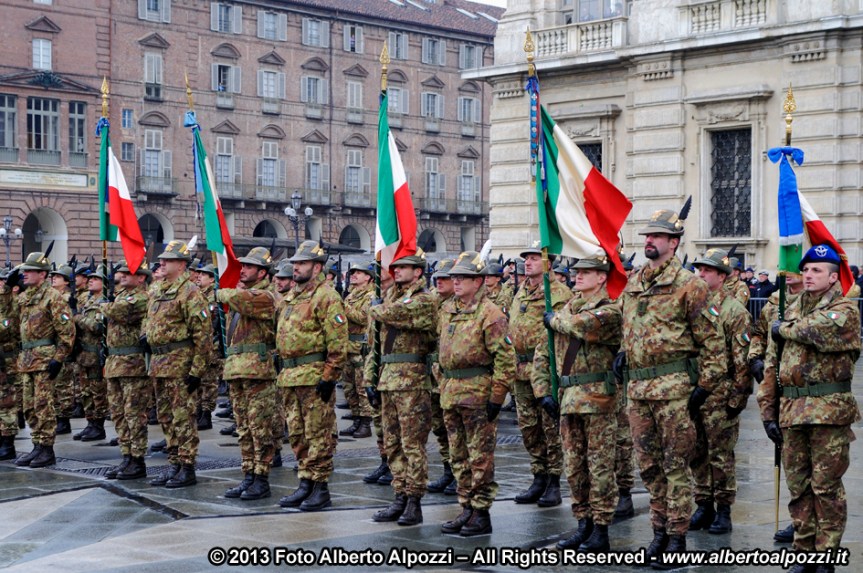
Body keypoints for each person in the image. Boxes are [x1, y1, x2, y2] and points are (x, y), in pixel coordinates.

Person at [617, 208, 726, 569]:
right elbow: (629, 327)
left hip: (674, 390)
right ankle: (658, 532)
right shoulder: (635, 281)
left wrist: (704, 388)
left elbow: (712, 344)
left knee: (676, 464)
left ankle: (677, 537)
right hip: (639, 390)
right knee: (648, 466)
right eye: (647, 235)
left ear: (673, 243)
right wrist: (622, 353)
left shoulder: (689, 285)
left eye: (657, 236)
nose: (648, 240)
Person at [761, 245, 860, 573]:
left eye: (817, 270)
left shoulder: (844, 309)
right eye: (805, 270)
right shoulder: (787, 310)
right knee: (799, 486)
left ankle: (826, 554)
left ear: (833, 278)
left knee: (826, 487)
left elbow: (817, 329)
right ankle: (803, 551)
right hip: (792, 410)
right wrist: (767, 410)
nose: (807, 275)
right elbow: (773, 366)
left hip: (828, 411)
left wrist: (782, 329)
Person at [537, 255, 622, 553]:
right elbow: (542, 353)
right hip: (569, 399)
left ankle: (601, 529)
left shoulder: (610, 310)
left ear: (602, 277)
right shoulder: (564, 309)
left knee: (599, 467)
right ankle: (583, 524)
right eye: (577, 272)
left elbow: (582, 327)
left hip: (598, 400)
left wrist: (553, 320)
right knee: (574, 468)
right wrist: (543, 391)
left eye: (587, 272)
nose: (578, 276)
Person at [438, 251, 515, 536]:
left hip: (477, 394)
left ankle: (481, 512)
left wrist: (496, 398)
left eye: (464, 277)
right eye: (455, 277)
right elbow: (441, 352)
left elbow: (506, 360)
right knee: (458, 455)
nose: (456, 282)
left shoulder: (491, 314)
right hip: (451, 393)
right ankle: (466, 506)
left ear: (479, 281)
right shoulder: (448, 310)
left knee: (479, 457)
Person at [276, 241, 348, 512]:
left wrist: (329, 377)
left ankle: (320, 487)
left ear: (317, 268)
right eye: (295, 263)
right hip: (291, 375)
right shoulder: (292, 297)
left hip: (313, 375)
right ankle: (305, 481)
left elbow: (337, 342)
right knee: (297, 433)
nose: (296, 267)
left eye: (302, 263)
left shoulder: (326, 296)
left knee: (318, 433)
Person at [367, 252, 436, 526]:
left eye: (404, 267)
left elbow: (398, 315)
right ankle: (399, 495)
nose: (396, 271)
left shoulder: (425, 300)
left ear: (418, 272)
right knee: (392, 443)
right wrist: (370, 379)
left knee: (412, 444)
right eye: (394, 267)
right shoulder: (389, 297)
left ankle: (414, 500)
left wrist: (375, 307)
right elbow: (375, 343)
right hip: (388, 379)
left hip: (412, 381)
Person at [690, 249, 752, 535]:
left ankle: (724, 509)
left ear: (722, 276)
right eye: (699, 269)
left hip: (719, 394)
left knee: (721, 455)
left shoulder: (733, 310)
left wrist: (738, 397)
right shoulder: (691, 305)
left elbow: (742, 360)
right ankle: (703, 504)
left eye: (707, 270)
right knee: (696, 451)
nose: (700, 274)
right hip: (692, 391)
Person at [143, 240, 211, 488]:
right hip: (160, 364)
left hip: (180, 365)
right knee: (166, 417)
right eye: (162, 259)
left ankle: (187, 466)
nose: (161, 262)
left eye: (168, 259)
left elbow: (203, 335)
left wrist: (196, 370)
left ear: (182, 264)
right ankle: (174, 464)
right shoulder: (158, 289)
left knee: (183, 418)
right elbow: (149, 321)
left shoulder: (190, 292)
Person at [508, 243, 571, 507]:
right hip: (520, 369)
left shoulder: (558, 293)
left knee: (549, 427)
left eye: (535, 258)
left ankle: (554, 481)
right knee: (528, 427)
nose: (529, 262)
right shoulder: (521, 290)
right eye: (527, 258)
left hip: (544, 369)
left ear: (548, 263)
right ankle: (538, 476)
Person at [216, 247, 279, 500]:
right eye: (243, 266)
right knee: (244, 427)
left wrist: (221, 290)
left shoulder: (267, 295)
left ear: (262, 272)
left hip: (258, 371)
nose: (242, 270)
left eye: (249, 267)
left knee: (260, 427)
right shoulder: (242, 294)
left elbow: (239, 299)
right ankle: (248, 475)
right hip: (238, 370)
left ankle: (262, 478)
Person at [14, 252, 76, 468]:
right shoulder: (24, 297)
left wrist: (59, 358)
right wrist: (6, 290)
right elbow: (7, 316)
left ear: (42, 274)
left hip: (44, 359)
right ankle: (37, 445)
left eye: (29, 271)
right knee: (29, 406)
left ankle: (47, 449)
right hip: (27, 359)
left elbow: (67, 332)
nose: (25, 274)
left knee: (44, 406)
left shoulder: (53, 297)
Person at [101, 260, 151, 480]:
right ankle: (126, 455)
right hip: (115, 363)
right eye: (120, 273)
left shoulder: (141, 297)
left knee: (134, 414)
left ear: (141, 277)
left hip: (133, 364)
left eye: (127, 273)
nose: (121, 276)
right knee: (119, 414)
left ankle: (138, 459)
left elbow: (123, 312)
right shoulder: (120, 296)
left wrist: (101, 306)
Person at [427, 259, 456, 495]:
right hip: (433, 375)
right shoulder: (433, 302)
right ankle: (448, 470)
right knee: (439, 426)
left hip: (452, 377)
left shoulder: (460, 305)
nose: (439, 282)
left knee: (455, 429)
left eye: (445, 278)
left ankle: (459, 473)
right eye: (437, 278)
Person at [73, 266, 109, 443]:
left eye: (96, 278)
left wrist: (78, 318)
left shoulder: (104, 302)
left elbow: (97, 327)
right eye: (91, 278)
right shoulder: (87, 301)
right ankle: (90, 422)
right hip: (84, 354)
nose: (91, 281)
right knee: (85, 391)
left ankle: (99, 425)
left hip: (95, 354)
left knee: (97, 391)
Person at [340, 262, 375, 439]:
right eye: (352, 272)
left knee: (362, 388)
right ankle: (356, 420)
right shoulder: (351, 295)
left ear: (368, 277)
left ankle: (365, 423)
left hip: (360, 348)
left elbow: (362, 318)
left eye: (358, 272)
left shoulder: (370, 296)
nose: (353, 275)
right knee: (349, 388)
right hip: (348, 347)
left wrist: (343, 307)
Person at [193, 264, 222, 431]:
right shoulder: (198, 295)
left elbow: (213, 321)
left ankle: (206, 413)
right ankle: (198, 411)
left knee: (209, 381)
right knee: (198, 380)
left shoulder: (213, 296)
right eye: (199, 274)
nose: (199, 277)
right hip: (199, 345)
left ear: (212, 278)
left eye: (203, 275)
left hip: (211, 345)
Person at [0, 267, 21, 460]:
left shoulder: (13, 305)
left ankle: (8, 444)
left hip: (6, 362)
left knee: (6, 403)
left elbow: (6, 328)